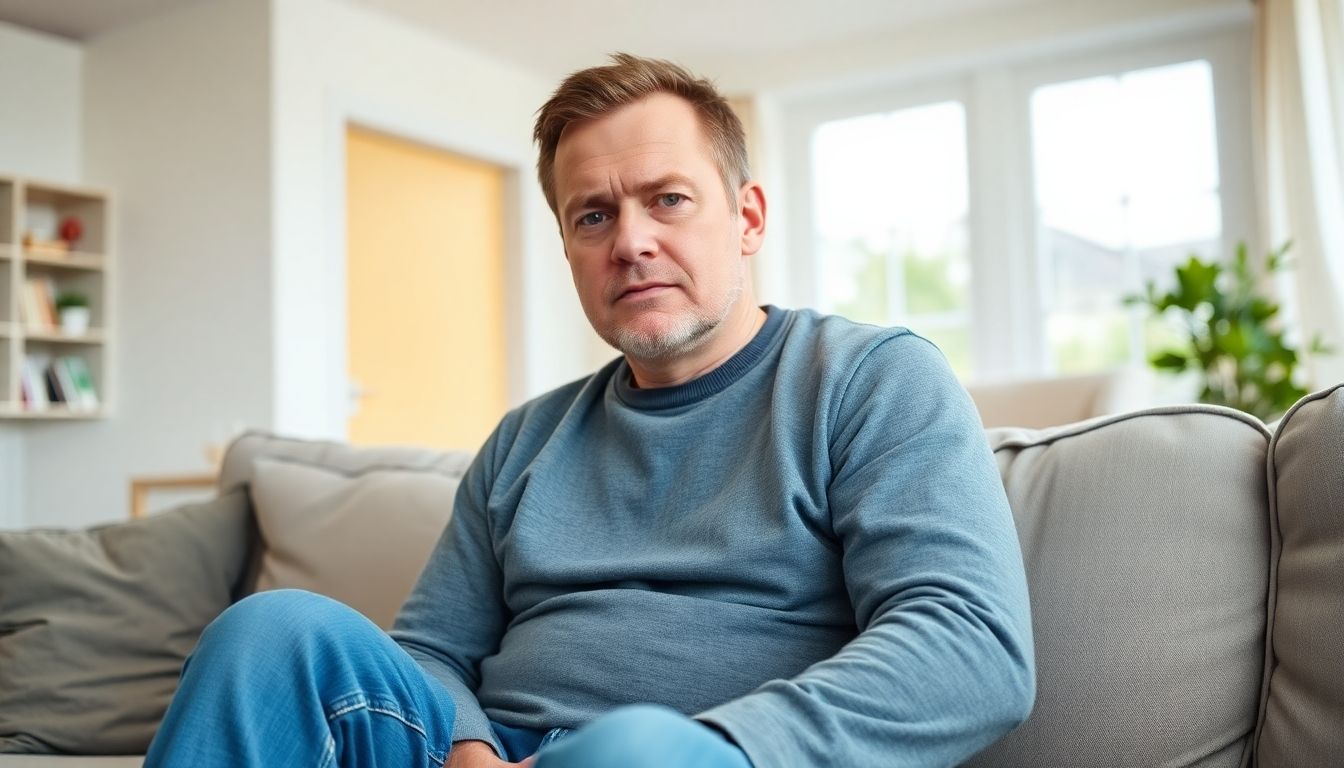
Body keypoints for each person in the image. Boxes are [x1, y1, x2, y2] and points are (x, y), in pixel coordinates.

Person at [145, 53, 1034, 768]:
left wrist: (705, 745)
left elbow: (969, 646)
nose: (632, 241)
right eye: (594, 216)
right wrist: (469, 751)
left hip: (705, 752)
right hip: (497, 751)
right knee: (271, 631)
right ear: (568, 246)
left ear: (749, 215)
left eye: (668, 200)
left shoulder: (870, 380)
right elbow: (430, 651)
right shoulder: (527, 438)